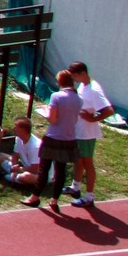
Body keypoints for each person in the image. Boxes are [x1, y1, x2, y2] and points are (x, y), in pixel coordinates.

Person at [27, 69, 82, 211]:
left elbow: (53, 119)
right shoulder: (79, 99)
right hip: (69, 138)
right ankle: (54, 200)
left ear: (60, 82)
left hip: (53, 137)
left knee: (44, 168)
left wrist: (46, 112)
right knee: (61, 170)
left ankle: (35, 197)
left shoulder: (56, 96)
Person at [65, 60, 114, 208]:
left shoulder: (94, 90)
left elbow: (109, 110)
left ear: (83, 73)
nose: (74, 79)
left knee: (87, 164)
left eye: (75, 76)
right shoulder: (83, 85)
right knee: (78, 161)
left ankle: (89, 196)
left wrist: (93, 119)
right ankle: (75, 187)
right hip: (79, 131)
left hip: (87, 134)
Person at [0, 116, 43, 188]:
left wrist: (19, 169)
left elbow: (35, 169)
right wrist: (14, 166)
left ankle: (8, 177)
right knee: (1, 156)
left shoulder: (35, 146)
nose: (14, 129)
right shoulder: (18, 138)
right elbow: (15, 156)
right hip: (24, 167)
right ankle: (13, 177)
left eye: (16, 127)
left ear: (23, 130)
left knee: (24, 177)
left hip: (39, 174)